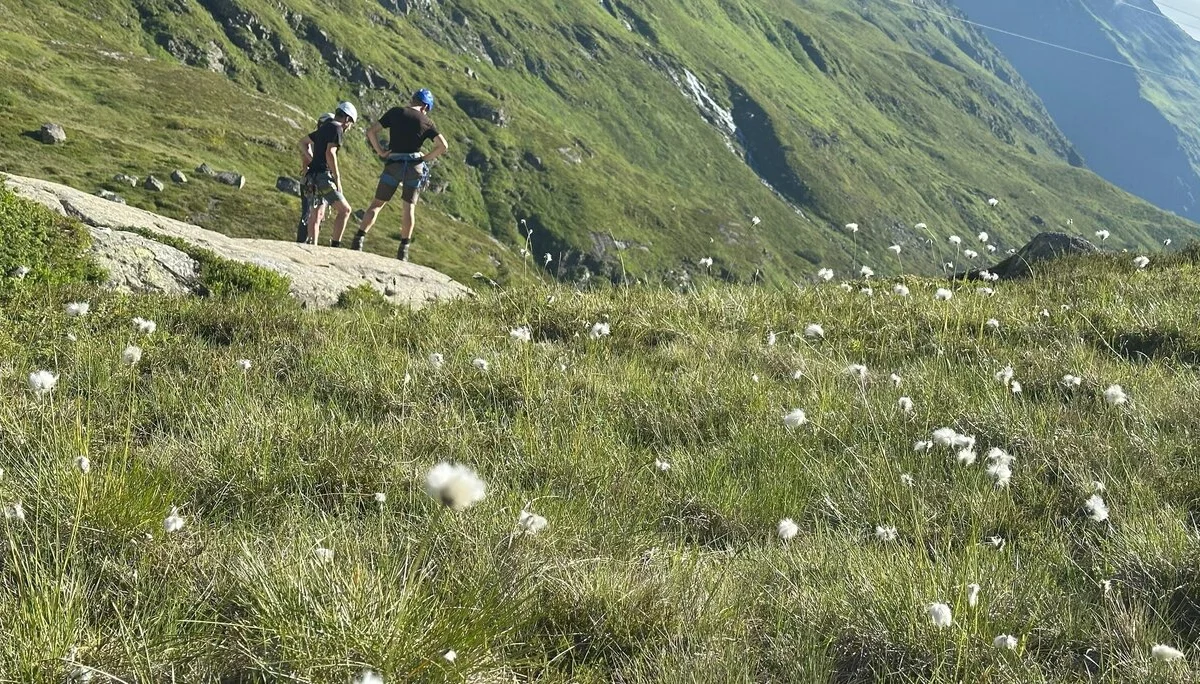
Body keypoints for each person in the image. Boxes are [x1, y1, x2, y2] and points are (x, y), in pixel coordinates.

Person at [342, 88, 448, 261]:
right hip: (414, 167)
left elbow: (371, 131)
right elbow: (443, 146)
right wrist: (424, 158)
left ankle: (358, 240)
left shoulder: (396, 112)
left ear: (413, 100)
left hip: (393, 164)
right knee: (409, 208)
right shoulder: (426, 122)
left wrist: (381, 151)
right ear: (426, 107)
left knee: (377, 204)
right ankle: (403, 251)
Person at [302, 101, 358, 246]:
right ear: (347, 119)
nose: (349, 127)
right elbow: (330, 152)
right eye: (351, 123)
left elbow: (302, 142)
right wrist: (337, 178)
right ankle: (335, 246)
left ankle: (311, 245)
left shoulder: (325, 127)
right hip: (323, 178)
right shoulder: (337, 129)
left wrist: (312, 160)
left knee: (315, 215)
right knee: (345, 210)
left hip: (311, 178)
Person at [295, 111, 335, 243]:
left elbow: (305, 160)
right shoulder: (319, 140)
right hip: (314, 179)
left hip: (309, 179)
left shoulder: (315, 138)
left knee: (311, 214)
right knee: (312, 214)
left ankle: (306, 241)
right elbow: (307, 161)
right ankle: (307, 242)